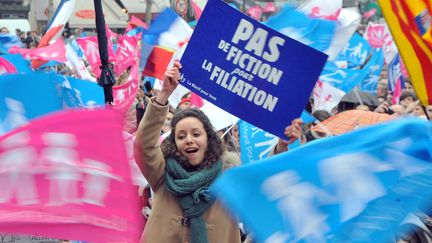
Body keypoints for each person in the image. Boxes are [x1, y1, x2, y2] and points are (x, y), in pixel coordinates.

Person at [134, 61, 241, 243]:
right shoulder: (161, 173)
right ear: (174, 143)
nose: (189, 139)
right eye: (181, 136)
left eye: (196, 134)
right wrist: (164, 94)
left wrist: (282, 148)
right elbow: (143, 146)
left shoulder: (229, 179)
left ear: (209, 139)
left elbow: (265, 184)